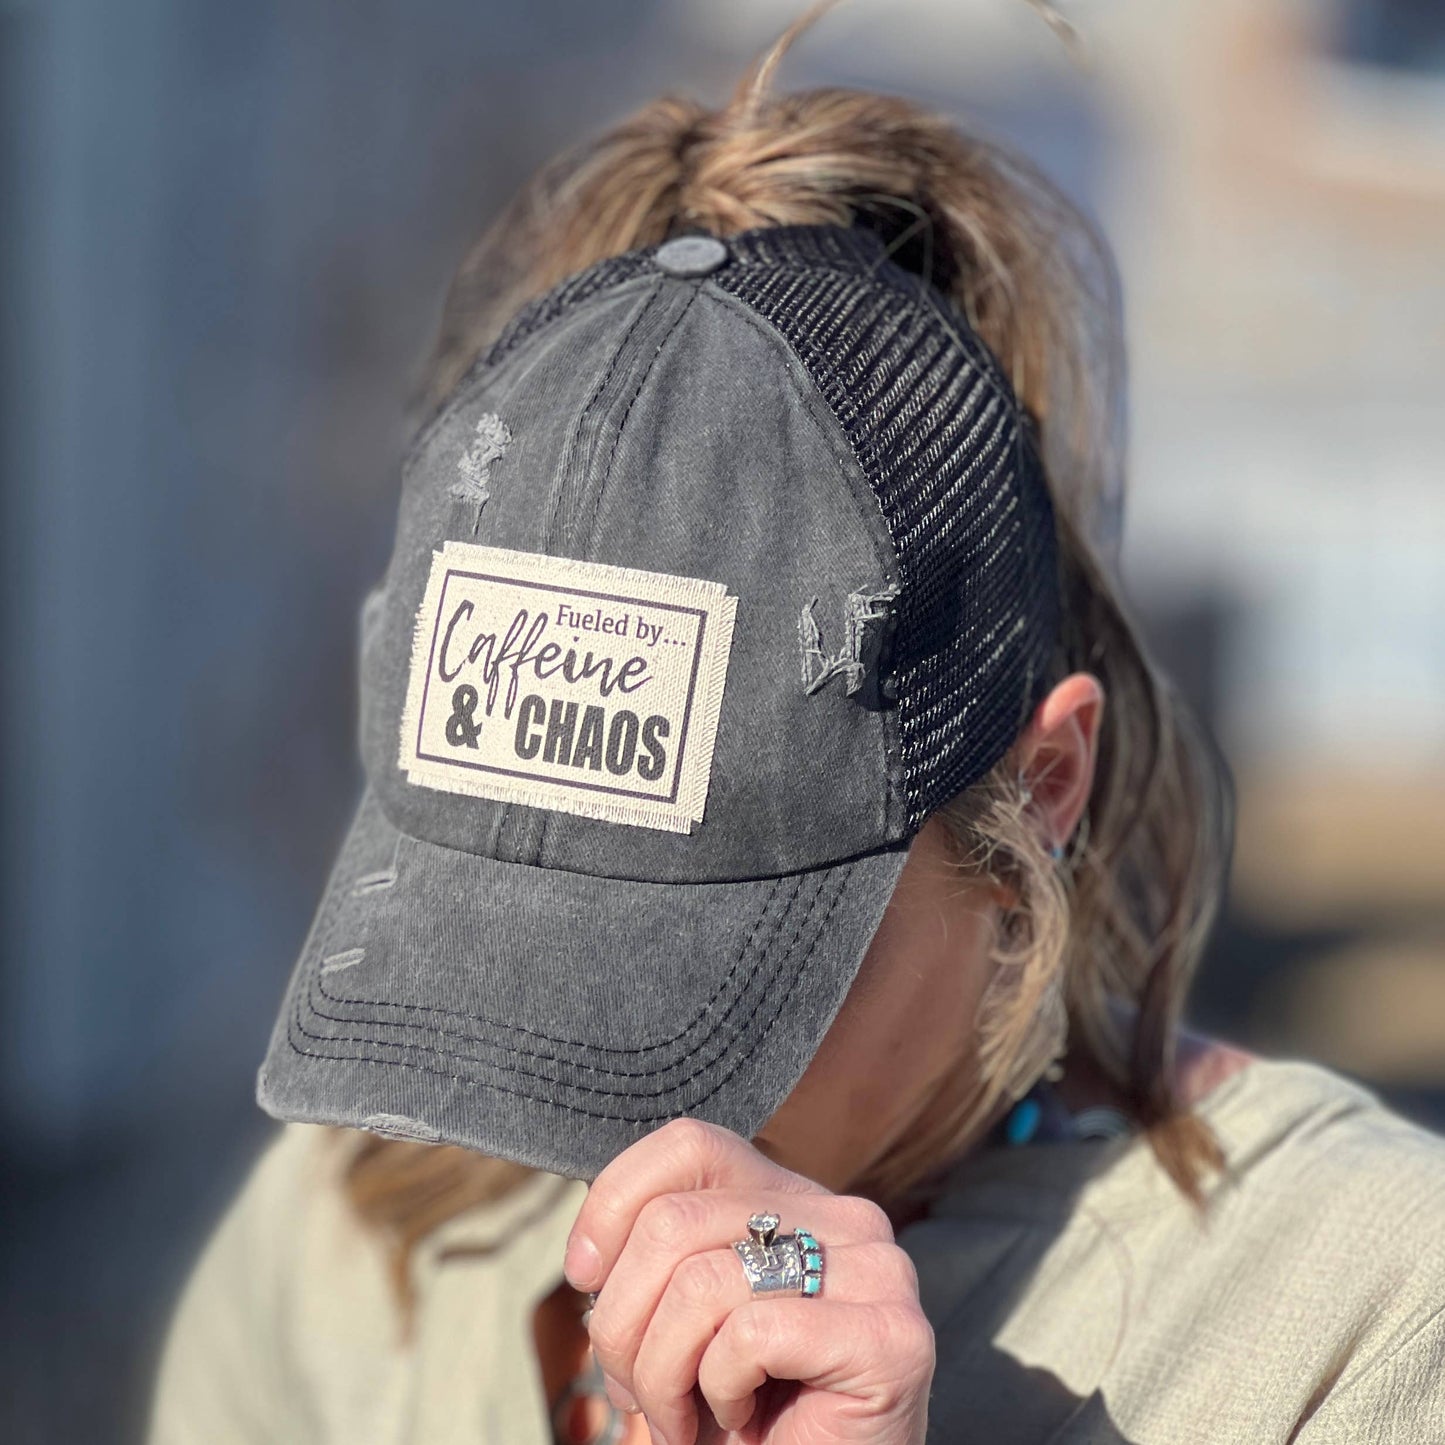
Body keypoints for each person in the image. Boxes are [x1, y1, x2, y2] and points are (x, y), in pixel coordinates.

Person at [149, 14, 1445, 1445]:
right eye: (497, 940)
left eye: (705, 962)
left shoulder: (1354, 1318)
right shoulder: (348, 1249)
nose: (581, 1086)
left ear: (1041, 792)